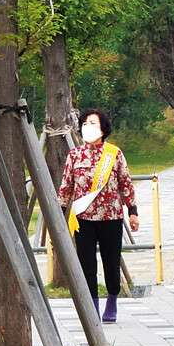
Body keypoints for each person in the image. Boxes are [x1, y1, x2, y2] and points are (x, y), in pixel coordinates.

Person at [59, 108, 139, 324]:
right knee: (86, 264)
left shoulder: (114, 153)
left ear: (103, 128)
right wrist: (60, 212)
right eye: (84, 123)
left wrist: (132, 211)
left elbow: (126, 183)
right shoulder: (74, 155)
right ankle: (92, 305)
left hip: (111, 217)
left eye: (92, 123)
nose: (87, 127)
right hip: (83, 219)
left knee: (111, 262)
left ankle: (112, 301)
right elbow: (66, 186)